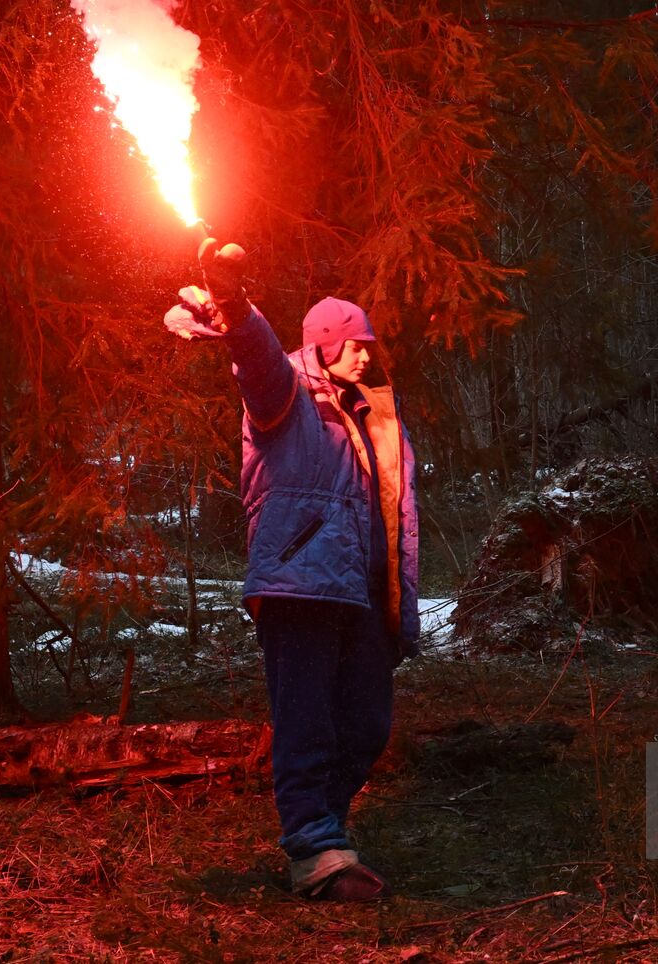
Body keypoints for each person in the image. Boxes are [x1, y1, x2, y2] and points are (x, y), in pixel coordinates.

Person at [164, 241, 419, 899]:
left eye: (369, 343)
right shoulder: (286, 395)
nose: (367, 353)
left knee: (366, 725)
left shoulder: (368, 413)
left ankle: (327, 827)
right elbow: (255, 358)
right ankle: (313, 849)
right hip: (298, 584)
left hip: (357, 591)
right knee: (307, 723)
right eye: (355, 343)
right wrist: (236, 303)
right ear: (325, 345)